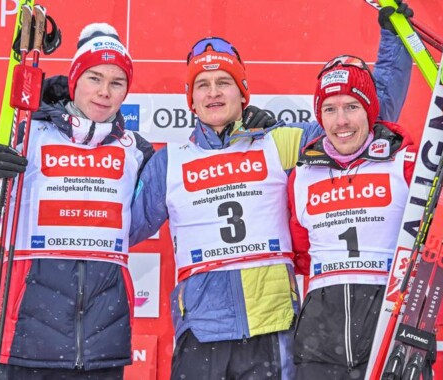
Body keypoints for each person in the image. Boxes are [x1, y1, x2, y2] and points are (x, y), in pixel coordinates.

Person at [127, 11, 414, 379]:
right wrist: (105, 144)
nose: (214, 92)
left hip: (272, 329)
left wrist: (395, 40)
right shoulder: (169, 162)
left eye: (224, 82)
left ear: (242, 91)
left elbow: (363, 118)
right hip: (201, 331)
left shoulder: (278, 141)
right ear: (191, 99)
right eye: (203, 84)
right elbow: (118, 228)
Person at [286, 53, 443, 378]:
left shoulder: (409, 163)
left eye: (351, 107)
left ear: (370, 111)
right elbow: (301, 257)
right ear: (319, 115)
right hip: (319, 350)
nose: (340, 121)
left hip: (396, 338)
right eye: (330, 109)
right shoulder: (302, 175)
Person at [0, 23, 154, 379]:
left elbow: (165, 205)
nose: (104, 92)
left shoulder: (137, 151)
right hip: (24, 341)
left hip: (102, 348)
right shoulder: (26, 133)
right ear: (74, 80)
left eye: (117, 82)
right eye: (93, 78)